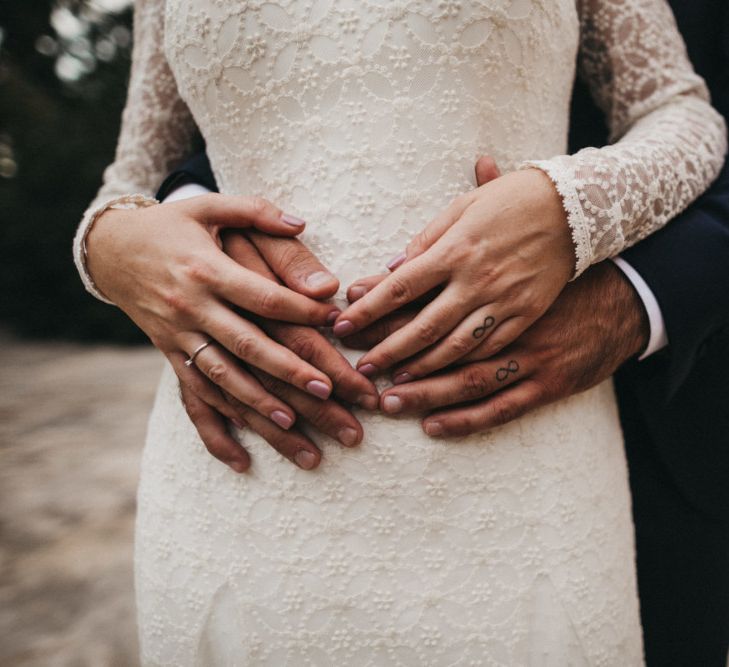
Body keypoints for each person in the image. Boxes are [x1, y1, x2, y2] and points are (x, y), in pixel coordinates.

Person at [74, 0, 726, 663]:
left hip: (516, 469)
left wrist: (572, 206)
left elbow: (679, 110)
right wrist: (108, 245)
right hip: (244, 466)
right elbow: (133, 177)